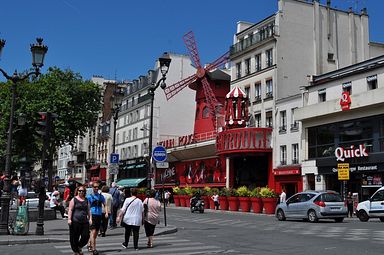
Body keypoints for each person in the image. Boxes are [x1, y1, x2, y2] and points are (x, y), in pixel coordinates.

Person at [68, 185, 92, 255]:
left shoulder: (86, 200)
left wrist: (90, 218)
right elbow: (70, 210)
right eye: (80, 191)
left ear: (85, 192)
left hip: (84, 221)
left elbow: (89, 210)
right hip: (75, 221)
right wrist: (69, 219)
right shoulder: (74, 199)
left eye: (83, 191)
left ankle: (79, 246)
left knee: (86, 236)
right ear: (77, 191)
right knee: (74, 237)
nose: (81, 192)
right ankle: (76, 251)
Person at [86, 182, 108, 255]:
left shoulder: (101, 196)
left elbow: (105, 204)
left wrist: (106, 212)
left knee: (95, 233)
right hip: (93, 215)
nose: (96, 188)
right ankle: (94, 249)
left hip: (99, 215)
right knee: (93, 231)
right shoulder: (89, 197)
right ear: (92, 188)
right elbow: (88, 208)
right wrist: (90, 218)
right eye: (95, 187)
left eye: (97, 187)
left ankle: (89, 243)